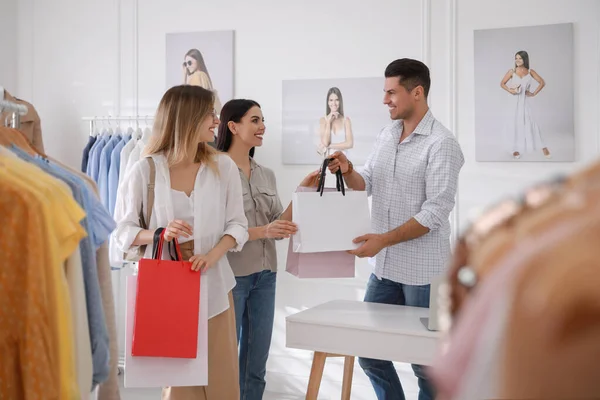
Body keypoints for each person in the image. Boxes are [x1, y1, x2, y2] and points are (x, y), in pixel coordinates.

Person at [327, 58, 465, 400]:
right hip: (385, 268)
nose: (385, 100)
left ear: (416, 93)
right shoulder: (387, 133)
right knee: (369, 353)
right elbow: (368, 182)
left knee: (428, 365)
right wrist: (348, 171)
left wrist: (383, 241)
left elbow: (435, 212)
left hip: (427, 275)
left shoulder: (442, 144)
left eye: (392, 92)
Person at [113, 85, 248, 400]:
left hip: (215, 288)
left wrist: (214, 254)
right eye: (210, 114)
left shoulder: (223, 167)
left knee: (222, 385)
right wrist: (159, 233)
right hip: (167, 293)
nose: (217, 121)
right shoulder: (144, 170)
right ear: (188, 118)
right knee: (179, 387)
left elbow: (238, 224)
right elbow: (121, 232)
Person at [216, 99, 319, 400]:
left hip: (265, 276)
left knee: (256, 364)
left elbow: (278, 226)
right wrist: (264, 231)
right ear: (233, 126)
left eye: (263, 121)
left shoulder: (266, 174)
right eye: (255, 120)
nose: (263, 127)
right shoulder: (215, 172)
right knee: (224, 362)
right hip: (231, 277)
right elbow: (215, 233)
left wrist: (302, 191)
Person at [500, 50, 551, 159]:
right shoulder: (512, 71)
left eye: (520, 58)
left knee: (531, 122)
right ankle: (515, 149)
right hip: (513, 103)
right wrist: (510, 90)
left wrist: (533, 93)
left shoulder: (530, 72)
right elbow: (502, 83)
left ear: (525, 59)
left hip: (524, 102)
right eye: (516, 58)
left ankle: (543, 146)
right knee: (513, 124)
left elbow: (542, 82)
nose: (517, 60)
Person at [183, 48, 223, 113]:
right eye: (185, 64)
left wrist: (184, 77)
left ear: (198, 61)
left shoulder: (197, 75)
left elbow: (186, 99)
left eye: (189, 63)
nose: (187, 66)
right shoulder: (203, 75)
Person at [318, 87, 354, 157]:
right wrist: (328, 122)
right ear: (328, 102)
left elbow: (350, 144)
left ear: (340, 101)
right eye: (331, 100)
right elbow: (325, 143)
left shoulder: (346, 120)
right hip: (329, 162)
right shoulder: (323, 120)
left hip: (344, 161)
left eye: (337, 100)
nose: (334, 103)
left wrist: (330, 146)